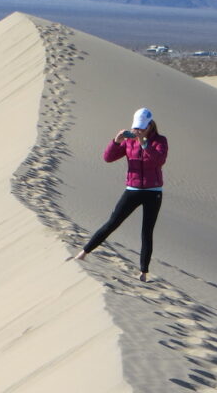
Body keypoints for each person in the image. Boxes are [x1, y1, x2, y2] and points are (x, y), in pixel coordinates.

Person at [71, 107, 167, 281]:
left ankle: (143, 271)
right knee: (113, 222)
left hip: (153, 192)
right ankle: (84, 252)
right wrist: (116, 141)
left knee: (147, 231)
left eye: (141, 128)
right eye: (136, 128)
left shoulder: (160, 141)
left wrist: (144, 142)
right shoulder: (129, 141)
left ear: (150, 126)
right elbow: (108, 158)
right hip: (133, 189)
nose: (137, 131)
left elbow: (159, 160)